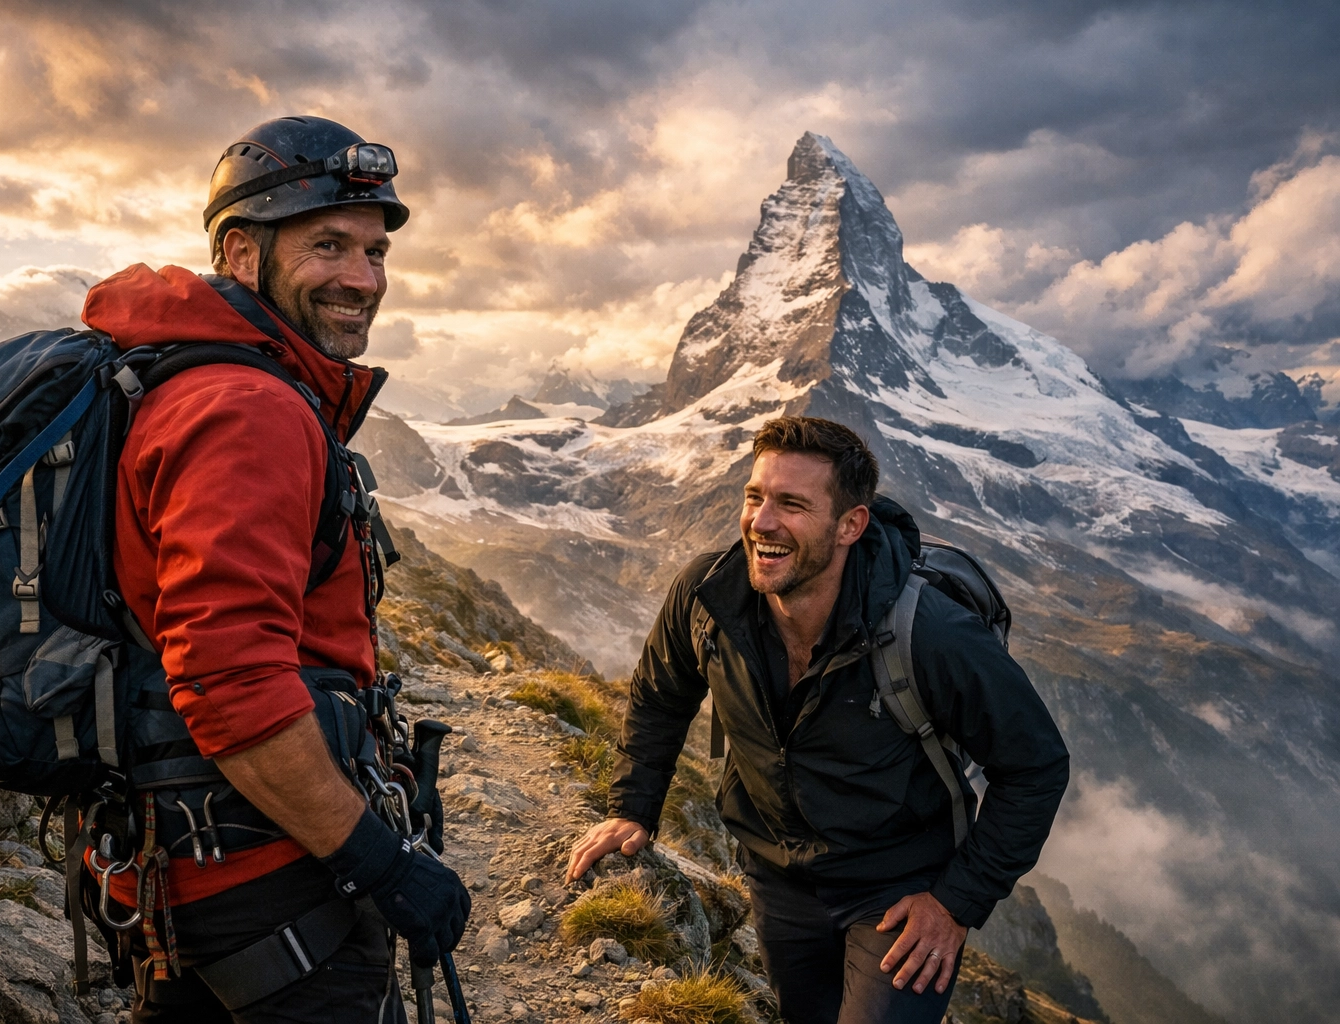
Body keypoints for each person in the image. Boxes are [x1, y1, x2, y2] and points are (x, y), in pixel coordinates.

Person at [79, 116, 471, 1023]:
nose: (364, 279)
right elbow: (230, 680)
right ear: (240, 254)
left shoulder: (190, 376)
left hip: (191, 860)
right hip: (265, 879)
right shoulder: (248, 408)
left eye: (375, 252)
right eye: (328, 245)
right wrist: (382, 864)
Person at [566, 416, 1069, 1024]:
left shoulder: (932, 634)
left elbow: (1036, 766)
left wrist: (956, 903)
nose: (762, 522)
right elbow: (659, 696)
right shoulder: (708, 596)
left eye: (792, 504)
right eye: (755, 497)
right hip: (777, 879)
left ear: (851, 525)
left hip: (897, 888)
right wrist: (632, 808)